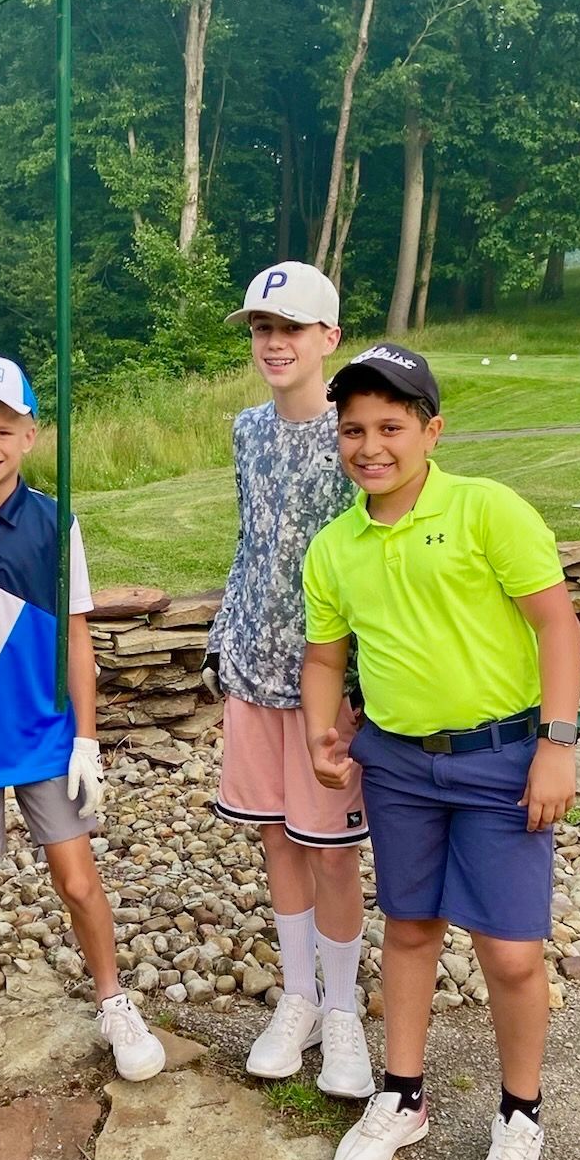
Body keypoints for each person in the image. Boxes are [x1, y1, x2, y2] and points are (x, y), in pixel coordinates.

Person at [300, 344, 580, 1160]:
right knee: (412, 929)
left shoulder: (485, 509)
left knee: (508, 951)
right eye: (353, 429)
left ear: (430, 429)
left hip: (501, 760)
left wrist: (557, 745)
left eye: (390, 425)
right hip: (395, 763)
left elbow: (556, 627)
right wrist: (320, 732)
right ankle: (404, 1096)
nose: (370, 445)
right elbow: (324, 656)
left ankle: (520, 1113)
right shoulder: (336, 544)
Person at [0, 355, 166, 1122]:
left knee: (77, 879)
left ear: (30, 434)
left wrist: (86, 740)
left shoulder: (54, 519)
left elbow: (76, 638)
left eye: (2, 428)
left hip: (43, 734)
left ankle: (113, 1001)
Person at [208, 262, 373, 1096]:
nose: (273, 343)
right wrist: (219, 640)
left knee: (332, 850)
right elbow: (250, 546)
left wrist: (360, 686)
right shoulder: (245, 430)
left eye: (291, 329)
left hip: (329, 683)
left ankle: (343, 1011)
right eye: (261, 330)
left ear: (327, 340)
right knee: (275, 835)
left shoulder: (354, 439)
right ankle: (298, 997)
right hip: (250, 669)